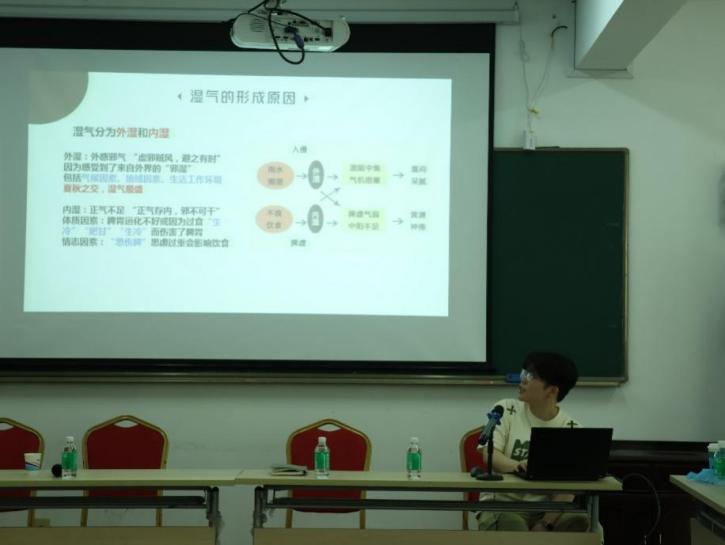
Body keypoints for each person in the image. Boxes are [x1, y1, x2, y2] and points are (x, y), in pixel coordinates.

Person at [476, 351, 589, 532]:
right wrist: (517, 465)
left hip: (545, 509)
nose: (522, 380)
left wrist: (545, 523)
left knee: (583, 522)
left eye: (530, 376)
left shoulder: (571, 429)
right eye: (524, 373)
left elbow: (568, 489)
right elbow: (490, 454)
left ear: (552, 391)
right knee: (514, 527)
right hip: (502, 505)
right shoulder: (506, 409)